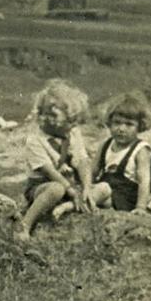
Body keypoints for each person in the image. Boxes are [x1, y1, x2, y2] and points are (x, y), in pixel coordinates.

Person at [13, 80, 110, 241]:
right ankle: (25, 225)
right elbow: (50, 172)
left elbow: (83, 161)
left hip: (73, 185)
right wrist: (72, 192)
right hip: (43, 185)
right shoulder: (35, 140)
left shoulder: (73, 133)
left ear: (70, 118)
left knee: (105, 188)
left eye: (53, 115)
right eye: (43, 113)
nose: (46, 119)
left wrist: (85, 187)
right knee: (56, 189)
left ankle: (70, 207)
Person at [92, 93, 151, 213]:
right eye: (117, 123)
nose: (121, 129)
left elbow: (144, 181)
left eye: (129, 124)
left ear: (139, 127)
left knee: (103, 188)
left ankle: (70, 206)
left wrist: (140, 207)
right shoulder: (105, 144)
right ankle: (85, 201)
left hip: (125, 198)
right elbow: (93, 171)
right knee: (98, 189)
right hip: (106, 196)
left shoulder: (140, 149)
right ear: (110, 122)